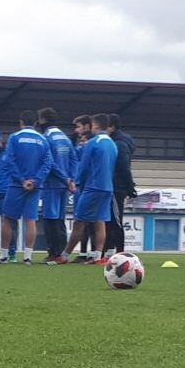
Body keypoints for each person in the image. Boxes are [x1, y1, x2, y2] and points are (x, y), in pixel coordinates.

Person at [49, 114, 117, 265]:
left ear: (96, 126)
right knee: (100, 222)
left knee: (79, 222)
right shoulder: (112, 144)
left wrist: (77, 183)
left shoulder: (92, 143)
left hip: (92, 187)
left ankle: (64, 255)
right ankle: (98, 257)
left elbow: (84, 167)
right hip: (107, 187)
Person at [0, 110, 54, 265]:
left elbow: (10, 161)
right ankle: (27, 257)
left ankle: (3, 256)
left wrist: (22, 180)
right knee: (31, 220)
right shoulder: (43, 140)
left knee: (8, 219)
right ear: (35, 123)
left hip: (16, 185)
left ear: (21, 122)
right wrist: (35, 181)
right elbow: (47, 164)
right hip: (35, 187)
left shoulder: (15, 138)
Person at [37, 108, 77, 262]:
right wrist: (71, 179)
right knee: (60, 219)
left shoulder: (46, 137)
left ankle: (54, 253)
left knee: (50, 219)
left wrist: (64, 179)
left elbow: (50, 163)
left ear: (42, 120)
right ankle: (62, 253)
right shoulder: (65, 137)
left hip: (52, 184)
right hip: (64, 186)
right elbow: (74, 159)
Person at [104, 113, 137, 258]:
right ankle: (112, 251)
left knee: (115, 221)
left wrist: (130, 188)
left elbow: (123, 167)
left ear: (111, 127)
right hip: (117, 186)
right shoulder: (121, 141)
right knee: (111, 220)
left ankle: (120, 252)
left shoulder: (119, 143)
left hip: (117, 187)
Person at [71, 114, 95, 262]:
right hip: (84, 186)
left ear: (86, 126)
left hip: (88, 186)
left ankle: (91, 252)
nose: (76, 130)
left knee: (89, 221)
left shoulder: (88, 145)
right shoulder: (83, 144)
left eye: (78, 126)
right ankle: (86, 252)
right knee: (86, 222)